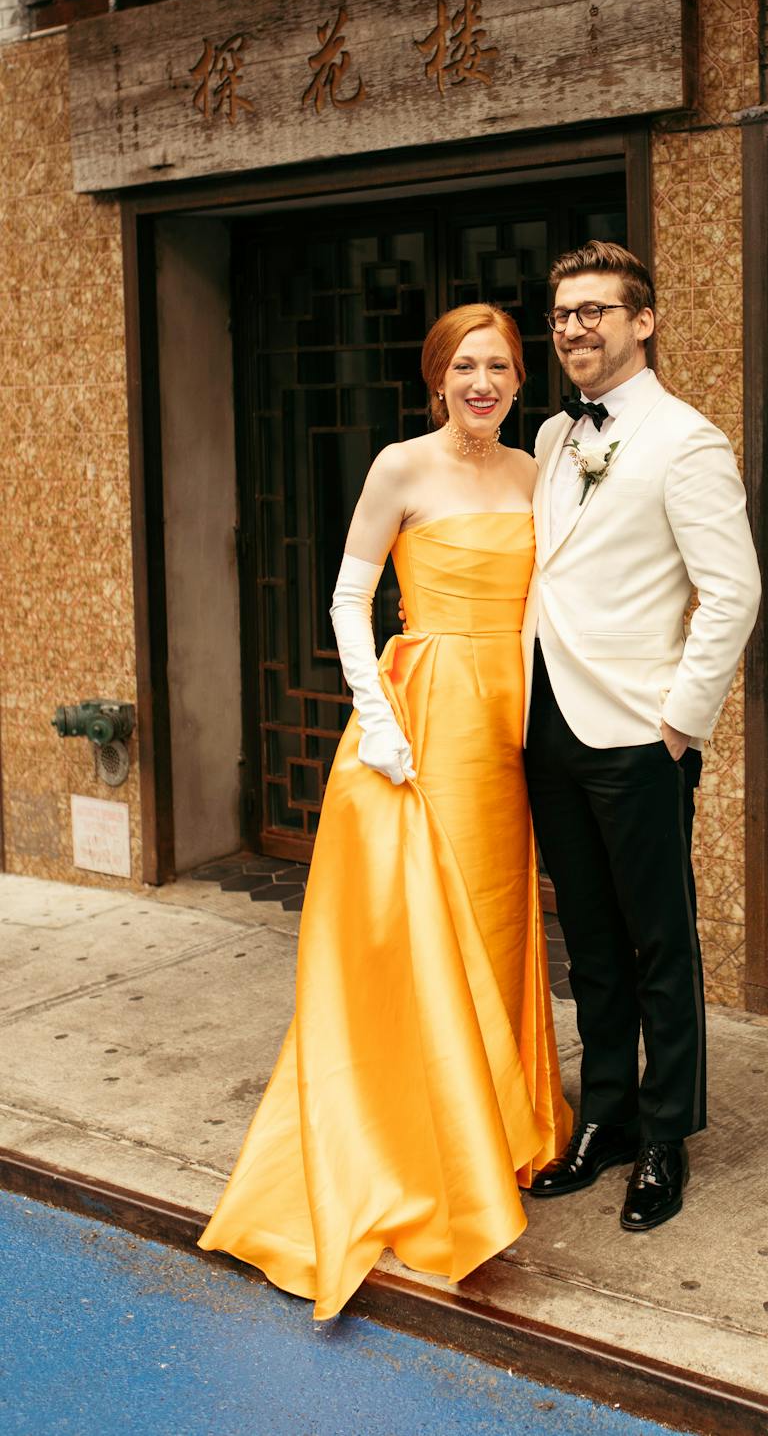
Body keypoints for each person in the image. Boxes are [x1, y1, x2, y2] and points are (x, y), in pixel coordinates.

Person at [198, 304, 571, 1321]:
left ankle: (496, 1119)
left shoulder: (539, 476)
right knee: (426, 920)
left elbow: (551, 603)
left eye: (499, 364)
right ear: (436, 376)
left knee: (498, 914)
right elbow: (345, 598)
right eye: (465, 365)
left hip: (515, 709)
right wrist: (378, 718)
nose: (482, 380)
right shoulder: (399, 466)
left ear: (517, 378)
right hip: (431, 705)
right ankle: (421, 1139)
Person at [523, 242, 761, 1232]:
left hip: (636, 732)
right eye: (564, 313)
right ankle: (607, 1115)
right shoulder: (546, 436)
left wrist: (677, 723)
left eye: (596, 311)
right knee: (589, 940)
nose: (576, 328)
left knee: (661, 940)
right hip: (547, 722)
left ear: (644, 320)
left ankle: (667, 1135)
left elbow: (733, 591)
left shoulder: (687, 439)